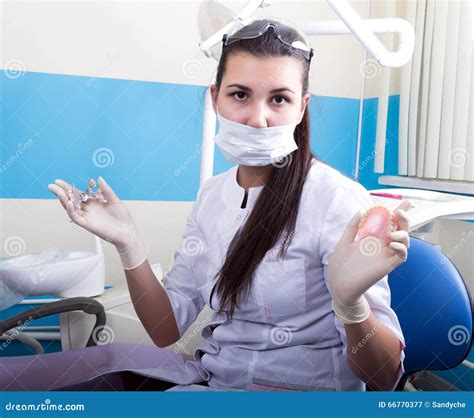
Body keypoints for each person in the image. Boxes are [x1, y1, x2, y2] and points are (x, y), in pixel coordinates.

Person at [48, 18, 411, 391]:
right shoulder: (211, 197)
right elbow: (165, 329)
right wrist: (128, 244)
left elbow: (384, 376)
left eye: (279, 99)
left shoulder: (337, 200)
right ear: (214, 97)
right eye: (240, 95)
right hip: (213, 385)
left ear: (302, 108)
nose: (257, 118)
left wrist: (351, 306)